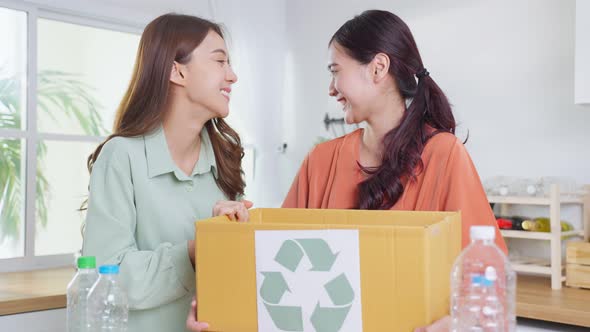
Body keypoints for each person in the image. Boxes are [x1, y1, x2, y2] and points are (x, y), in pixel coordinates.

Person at [282, 10, 507, 331]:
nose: (331, 89)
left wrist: (459, 320)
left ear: (378, 68)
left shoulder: (444, 155)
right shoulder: (320, 161)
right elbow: (280, 255)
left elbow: (489, 272)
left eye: (336, 71)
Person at [82, 13, 250, 332]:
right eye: (220, 61)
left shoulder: (225, 158)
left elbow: (235, 276)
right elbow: (106, 277)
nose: (232, 76)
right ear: (177, 70)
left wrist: (238, 238)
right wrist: (194, 250)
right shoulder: (122, 157)